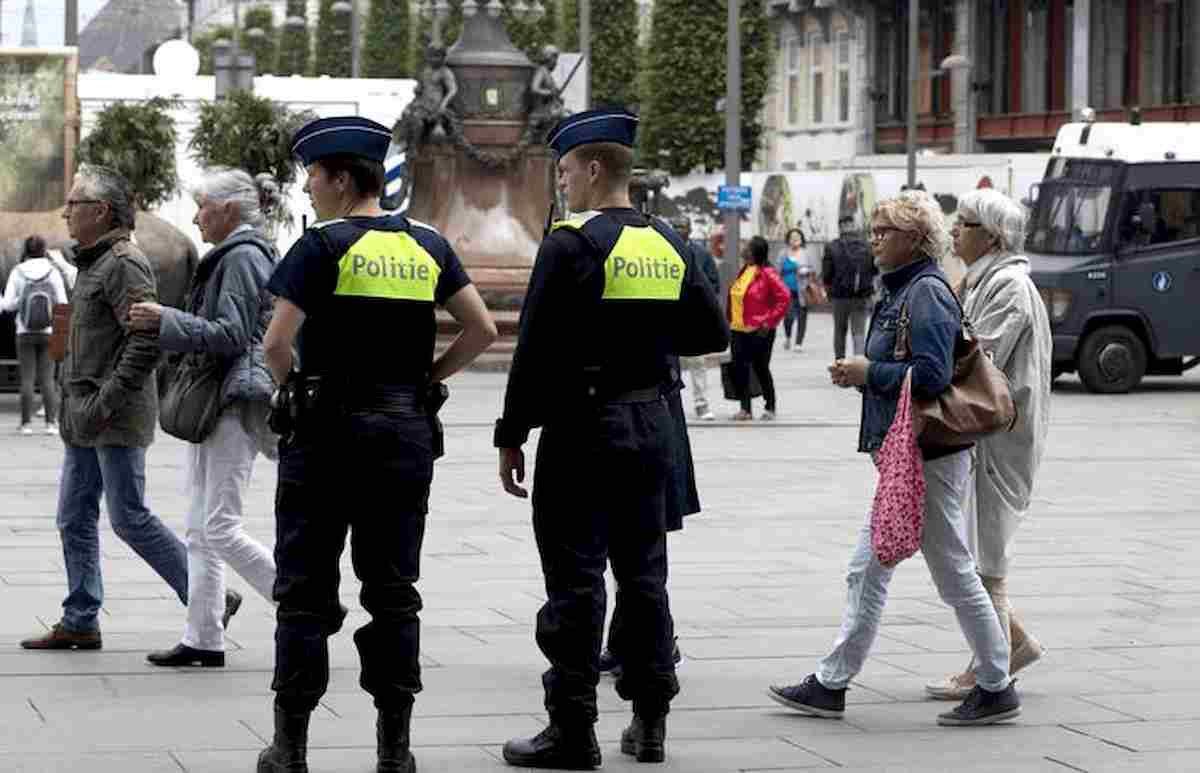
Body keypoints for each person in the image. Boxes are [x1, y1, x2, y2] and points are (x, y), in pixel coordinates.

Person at [256, 116, 497, 773]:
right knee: (393, 591)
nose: (306, 187)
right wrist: (427, 380)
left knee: (305, 591)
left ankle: (291, 747)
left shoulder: (321, 245)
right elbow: (479, 329)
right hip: (403, 432)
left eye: (311, 175)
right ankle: (395, 749)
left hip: (326, 434)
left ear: (339, 179)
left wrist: (293, 389)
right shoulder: (426, 243)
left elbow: (277, 343)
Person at [495, 108, 729, 769]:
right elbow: (711, 334)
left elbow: (533, 349)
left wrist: (511, 434)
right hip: (653, 424)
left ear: (594, 168)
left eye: (566, 170)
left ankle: (572, 729)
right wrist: (647, 340)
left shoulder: (570, 244)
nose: (563, 183)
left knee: (576, 580)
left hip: (583, 428)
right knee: (645, 575)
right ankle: (649, 722)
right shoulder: (670, 242)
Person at [767, 191, 1020, 727]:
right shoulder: (904, 289)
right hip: (912, 453)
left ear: (916, 240)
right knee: (892, 569)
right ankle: (835, 682)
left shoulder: (924, 293)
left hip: (927, 454)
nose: (874, 238)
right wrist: (865, 376)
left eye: (885, 231)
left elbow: (931, 376)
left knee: (917, 568)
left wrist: (868, 374)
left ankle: (992, 682)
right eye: (874, 229)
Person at [18, 165, 190, 652]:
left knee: (129, 517)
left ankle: (206, 598)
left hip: (111, 417)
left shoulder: (124, 263)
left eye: (74, 204)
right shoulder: (93, 262)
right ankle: (80, 618)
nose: (66, 212)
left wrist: (104, 401)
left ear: (101, 211)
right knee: (73, 517)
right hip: (84, 418)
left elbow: (145, 343)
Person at [128, 169, 282, 669]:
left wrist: (166, 320)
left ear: (228, 210)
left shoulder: (241, 257)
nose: (195, 217)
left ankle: (302, 601)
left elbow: (232, 333)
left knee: (218, 526)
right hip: (218, 397)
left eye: (201, 207)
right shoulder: (239, 253)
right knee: (200, 528)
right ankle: (203, 636)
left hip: (233, 400)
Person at [924, 189, 1052, 700]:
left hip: (1001, 438)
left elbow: (979, 356)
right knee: (977, 547)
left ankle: (989, 672)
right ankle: (1010, 644)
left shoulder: (1009, 286)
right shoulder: (985, 280)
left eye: (965, 224)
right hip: (988, 436)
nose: (955, 232)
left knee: (986, 556)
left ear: (992, 236)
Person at [1, 234, 67, 435]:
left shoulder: (18, 271)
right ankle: (51, 424)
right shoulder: (53, 272)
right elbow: (63, 303)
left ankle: (26, 424)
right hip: (49, 332)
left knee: (27, 379)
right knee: (48, 379)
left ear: (26, 250)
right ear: (43, 250)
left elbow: (8, 304)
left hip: (24, 331)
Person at [727, 236, 789, 421]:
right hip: (738, 329)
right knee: (740, 368)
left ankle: (770, 406)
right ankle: (745, 409)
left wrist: (769, 322)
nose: (744, 250)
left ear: (756, 252)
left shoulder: (768, 273)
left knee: (761, 368)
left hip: (759, 330)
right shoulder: (745, 270)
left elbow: (784, 298)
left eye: (748, 248)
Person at [671, 215, 719, 421]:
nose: (679, 230)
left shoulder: (702, 254)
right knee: (672, 365)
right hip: (671, 317)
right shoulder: (664, 249)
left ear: (690, 230)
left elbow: (714, 283)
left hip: (694, 319)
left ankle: (701, 404)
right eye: (676, 227)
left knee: (698, 363)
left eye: (683, 227)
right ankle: (673, 404)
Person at [822, 215, 876, 360]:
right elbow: (874, 269)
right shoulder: (867, 246)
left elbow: (827, 274)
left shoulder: (832, 246)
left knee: (840, 330)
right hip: (861, 296)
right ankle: (858, 362)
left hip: (839, 296)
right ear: (854, 226)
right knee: (858, 331)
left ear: (840, 227)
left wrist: (827, 291)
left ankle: (840, 362)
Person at [398, 44, 458, 152]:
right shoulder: (425, 71)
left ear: (443, 58)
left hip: (434, 105)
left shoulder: (445, 72)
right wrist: (417, 89)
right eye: (431, 56)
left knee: (417, 120)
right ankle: (404, 142)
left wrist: (444, 104)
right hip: (421, 102)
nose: (433, 59)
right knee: (406, 114)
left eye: (437, 57)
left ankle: (413, 147)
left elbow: (452, 89)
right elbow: (420, 87)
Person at [778, 227, 814, 351]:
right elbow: (777, 271)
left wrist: (806, 271)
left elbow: (813, 270)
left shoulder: (806, 253)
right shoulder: (783, 253)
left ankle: (799, 343)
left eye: (797, 237)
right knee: (788, 316)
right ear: (788, 240)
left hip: (802, 290)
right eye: (792, 237)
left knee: (802, 316)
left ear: (801, 239)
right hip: (786, 290)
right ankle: (788, 337)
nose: (795, 239)